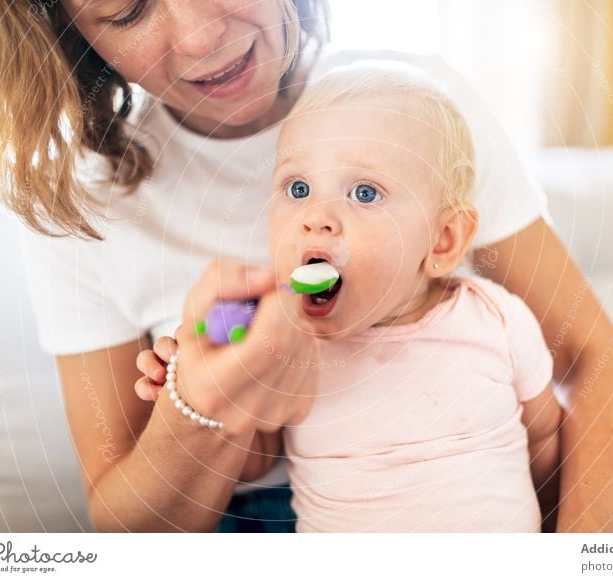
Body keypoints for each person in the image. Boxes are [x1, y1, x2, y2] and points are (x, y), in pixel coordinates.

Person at [0, 0, 613, 532]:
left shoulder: (414, 105)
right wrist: (200, 410)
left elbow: (590, 363)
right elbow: (123, 520)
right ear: (75, 36)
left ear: (446, 238)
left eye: (367, 194)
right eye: (127, 10)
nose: (199, 37)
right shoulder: (83, 198)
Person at [195, 63, 564, 532]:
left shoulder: (496, 319)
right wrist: (218, 388)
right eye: (298, 188)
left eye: (365, 192)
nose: (317, 218)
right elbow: (253, 463)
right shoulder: (286, 346)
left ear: (443, 241)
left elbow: (546, 436)